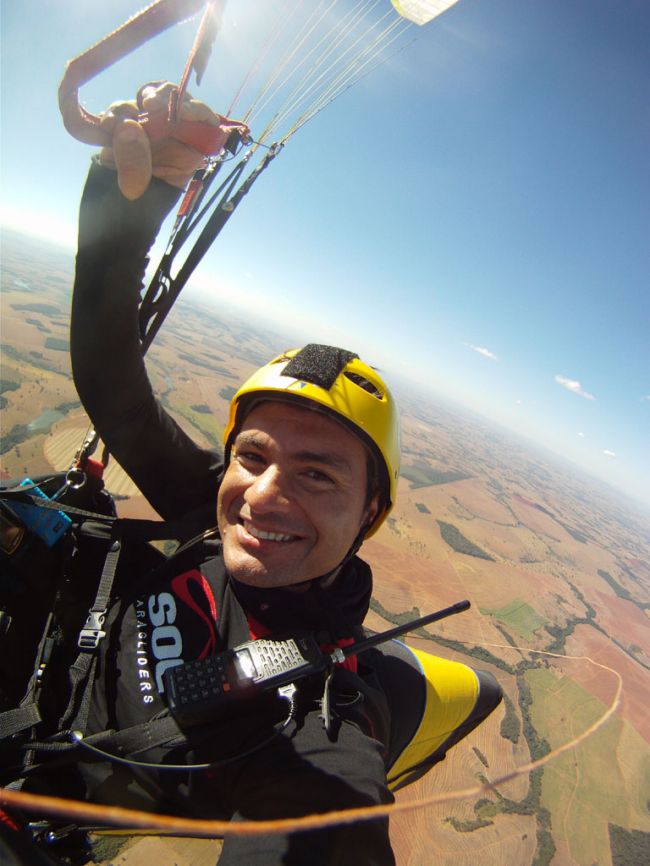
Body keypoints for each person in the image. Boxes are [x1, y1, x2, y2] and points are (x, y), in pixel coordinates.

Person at [54, 84, 501, 865]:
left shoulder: (321, 718)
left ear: (370, 513)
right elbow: (111, 382)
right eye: (252, 456)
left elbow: (324, 822)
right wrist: (135, 200)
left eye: (318, 475)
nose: (263, 494)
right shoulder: (207, 509)